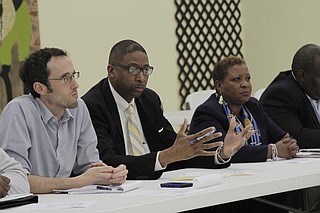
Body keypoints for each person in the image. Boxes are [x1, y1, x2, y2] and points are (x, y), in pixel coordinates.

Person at [82, 39, 253, 180]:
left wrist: (221, 154)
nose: (141, 77)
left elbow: (176, 150)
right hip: (119, 189)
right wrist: (164, 157)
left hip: (157, 186)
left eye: (146, 70)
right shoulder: (93, 105)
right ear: (112, 71)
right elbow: (107, 160)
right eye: (133, 69)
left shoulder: (149, 100)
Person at [0, 48, 128, 194]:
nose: (76, 85)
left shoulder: (78, 108)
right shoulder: (18, 111)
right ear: (40, 88)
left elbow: (88, 166)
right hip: (31, 204)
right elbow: (17, 180)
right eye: (65, 78)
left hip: (67, 201)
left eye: (74, 75)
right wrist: (80, 181)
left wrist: (109, 174)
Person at [185, 56, 299, 212]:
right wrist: (272, 150)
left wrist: (290, 144)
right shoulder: (207, 112)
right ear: (219, 86)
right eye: (236, 79)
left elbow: (281, 137)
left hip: (258, 179)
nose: (245, 84)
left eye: (248, 78)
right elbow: (225, 152)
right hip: (225, 192)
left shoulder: (253, 105)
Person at [260, 43, 320, 212]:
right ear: (302, 76)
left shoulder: (314, 88)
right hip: (291, 184)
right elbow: (298, 137)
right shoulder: (280, 94)